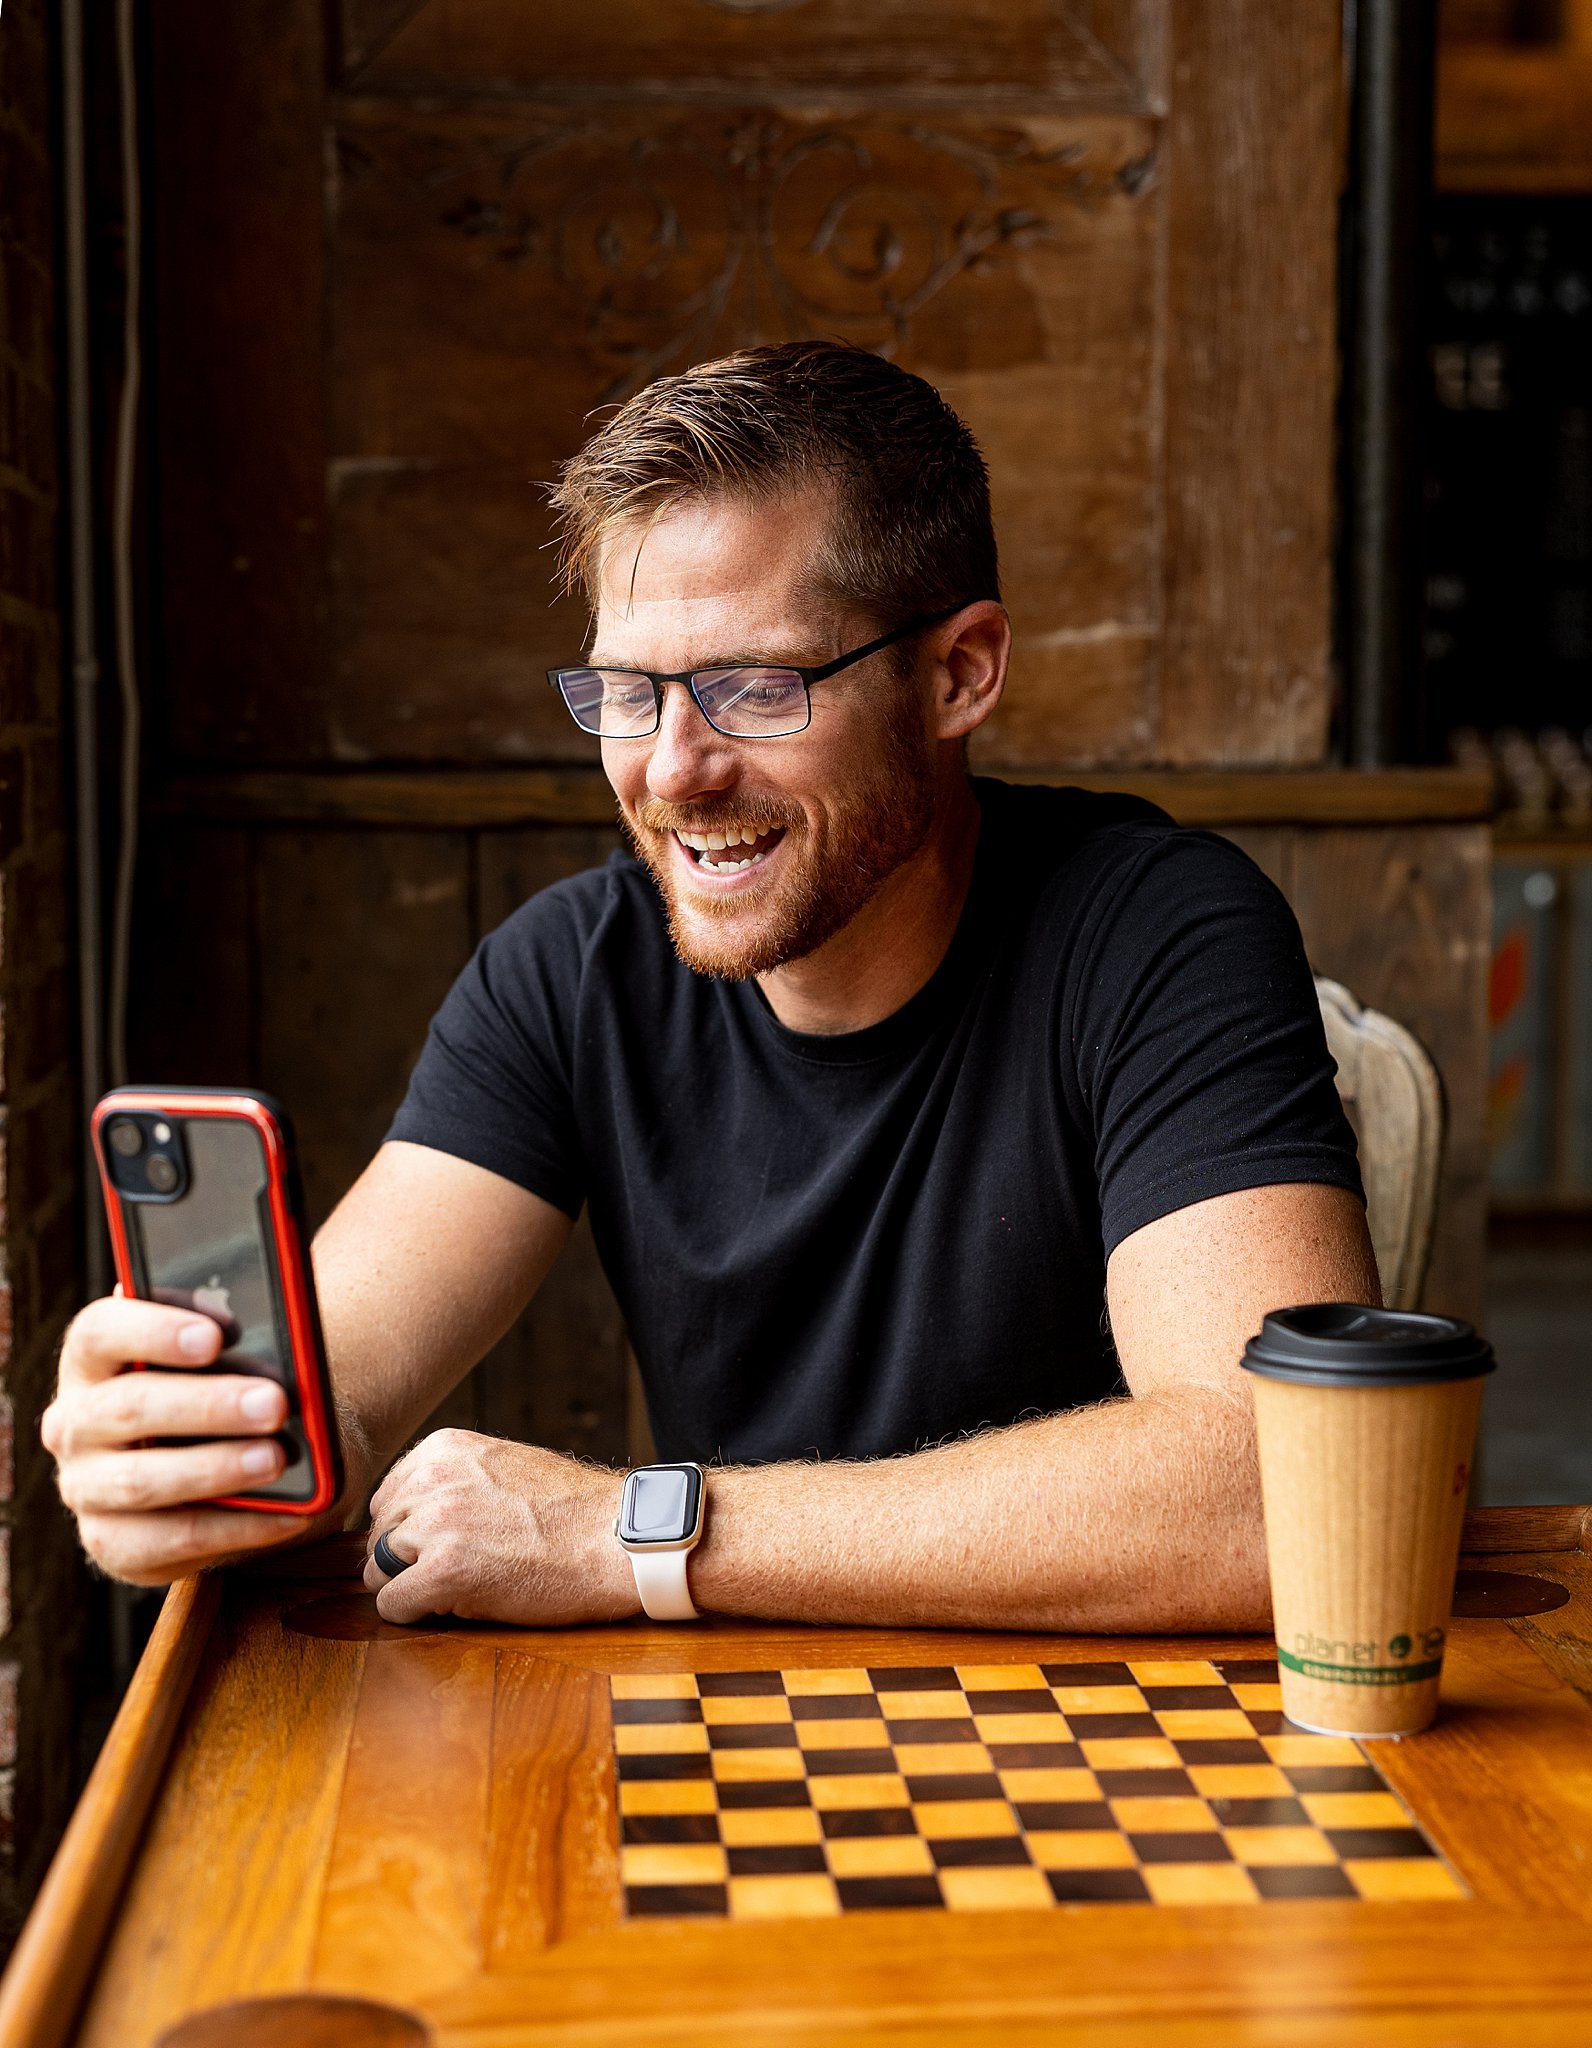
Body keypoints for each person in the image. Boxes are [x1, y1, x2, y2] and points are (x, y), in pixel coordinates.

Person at [44, 341, 1379, 1633]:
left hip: (1125, 1731)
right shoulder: (571, 973)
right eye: (627, 692)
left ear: (958, 673)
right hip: (725, 1734)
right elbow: (322, 1406)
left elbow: (1280, 1488)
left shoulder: (1159, 933)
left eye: (755, 686)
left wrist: (633, 1531)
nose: (674, 769)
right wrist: (188, 1460)